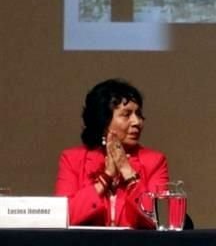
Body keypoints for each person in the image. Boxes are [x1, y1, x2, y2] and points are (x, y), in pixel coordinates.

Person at [54, 79, 169, 228]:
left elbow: (155, 220)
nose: (137, 122)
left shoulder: (155, 161)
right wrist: (106, 177)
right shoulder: (72, 159)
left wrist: (126, 170)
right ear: (103, 121)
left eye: (138, 114)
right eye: (126, 114)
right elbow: (63, 218)